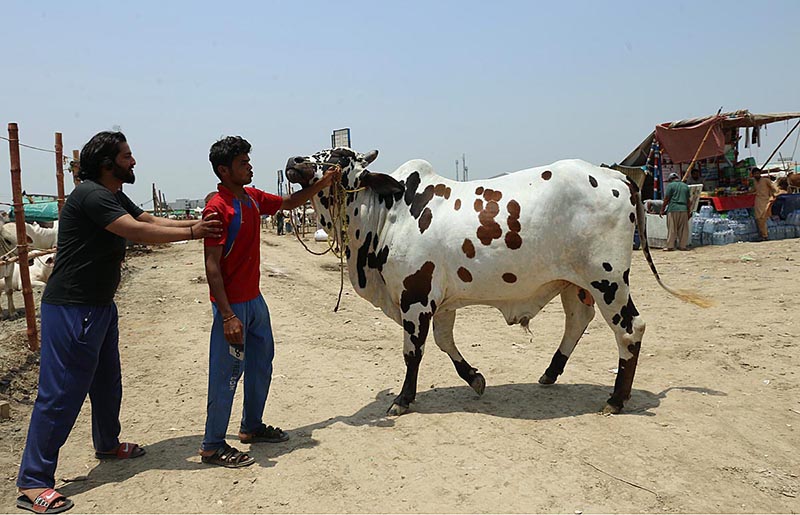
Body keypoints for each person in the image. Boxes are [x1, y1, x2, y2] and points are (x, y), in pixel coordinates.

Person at [15, 131, 222, 514]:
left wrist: (196, 223)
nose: (134, 162)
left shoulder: (111, 193)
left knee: (107, 383)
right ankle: (33, 481)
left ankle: (107, 444)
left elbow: (147, 217)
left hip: (99, 307)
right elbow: (136, 231)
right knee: (60, 394)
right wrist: (195, 233)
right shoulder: (92, 195)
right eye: (127, 156)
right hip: (73, 308)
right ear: (108, 163)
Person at [199, 136, 339, 468]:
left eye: (249, 161)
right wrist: (227, 315)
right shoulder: (217, 207)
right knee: (226, 375)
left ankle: (251, 427)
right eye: (243, 163)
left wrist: (324, 182)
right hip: (233, 308)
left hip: (255, 303)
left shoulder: (251, 198)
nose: (250, 167)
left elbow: (290, 203)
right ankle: (212, 445)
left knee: (261, 366)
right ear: (224, 170)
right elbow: (212, 266)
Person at [659, 172, 690, 251]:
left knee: (672, 228)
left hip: (673, 209)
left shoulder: (670, 186)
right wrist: (688, 212)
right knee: (683, 229)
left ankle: (670, 246)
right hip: (683, 209)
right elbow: (689, 201)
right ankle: (683, 246)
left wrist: (662, 209)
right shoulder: (685, 186)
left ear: (670, 179)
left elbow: (666, 199)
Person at [753, 167, 778, 241]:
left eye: (758, 173)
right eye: (755, 174)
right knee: (758, 218)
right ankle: (763, 234)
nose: (756, 175)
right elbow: (754, 190)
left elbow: (774, 188)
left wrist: (773, 195)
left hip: (766, 201)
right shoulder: (754, 181)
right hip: (758, 201)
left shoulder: (766, 180)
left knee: (763, 218)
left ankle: (765, 235)